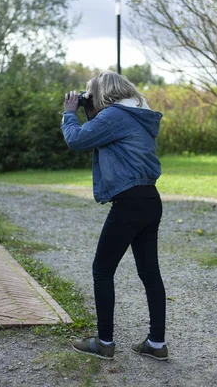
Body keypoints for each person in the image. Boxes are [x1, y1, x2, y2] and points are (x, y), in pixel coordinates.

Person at [61, 71, 168, 361]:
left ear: (101, 93)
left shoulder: (114, 118)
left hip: (129, 202)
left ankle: (104, 342)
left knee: (102, 269)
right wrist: (90, 108)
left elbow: (76, 139)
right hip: (149, 199)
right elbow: (100, 129)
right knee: (149, 273)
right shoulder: (136, 115)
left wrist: (71, 111)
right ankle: (156, 344)